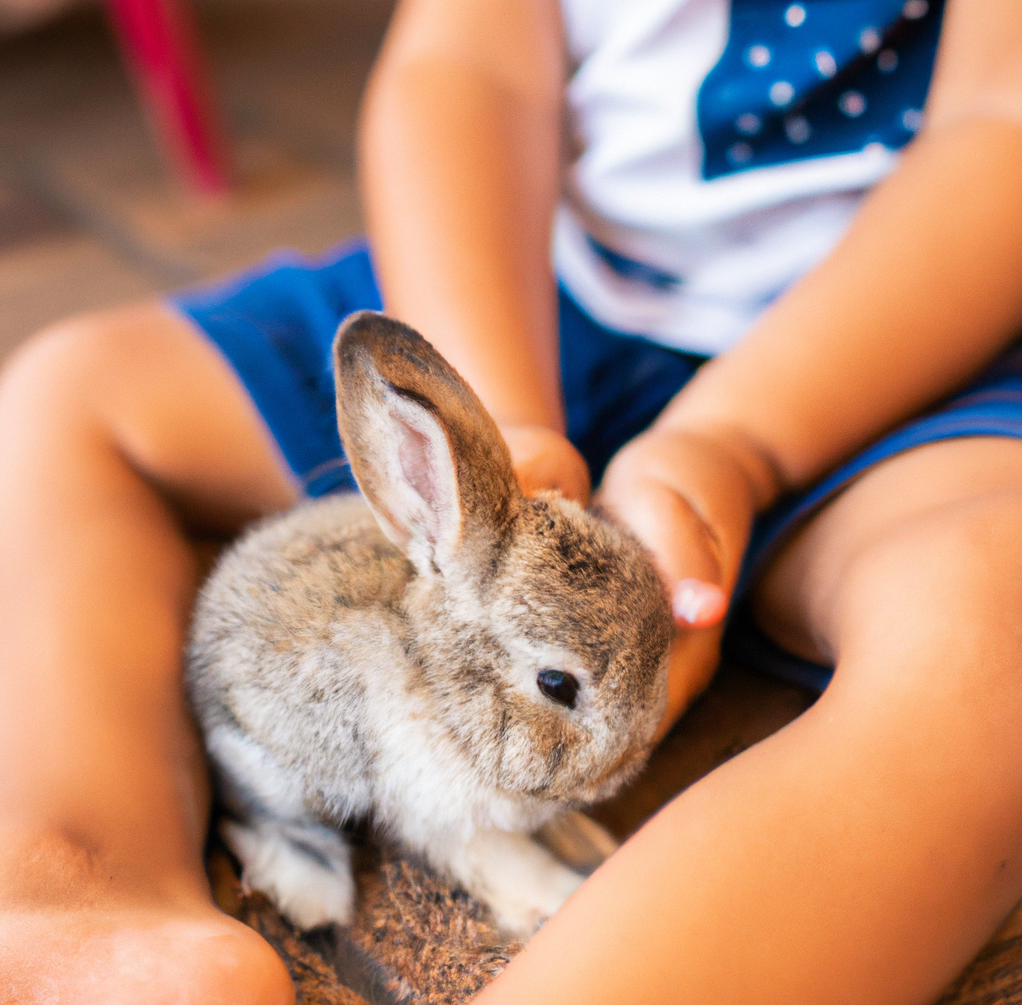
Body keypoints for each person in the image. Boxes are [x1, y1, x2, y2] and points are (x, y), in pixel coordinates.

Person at [3, 0, 1022, 1001]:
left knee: (988, 624)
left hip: (910, 343)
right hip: (544, 286)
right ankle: (79, 896)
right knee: (68, 397)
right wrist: (507, 427)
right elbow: (467, 68)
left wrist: (734, 444)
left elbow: (997, 126)